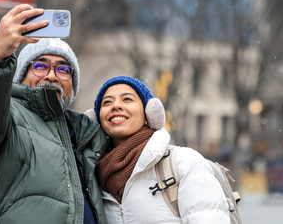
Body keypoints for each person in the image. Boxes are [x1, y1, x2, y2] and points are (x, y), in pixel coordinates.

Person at [0, 4, 109, 224]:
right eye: (41, 66)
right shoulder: (5, 118)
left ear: (72, 83)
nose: (52, 76)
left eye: (63, 69)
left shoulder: (87, 135)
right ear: (21, 75)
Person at [88, 76, 230, 223]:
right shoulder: (91, 175)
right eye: (107, 102)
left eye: (127, 99)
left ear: (149, 113)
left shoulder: (185, 163)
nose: (115, 106)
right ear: (96, 119)